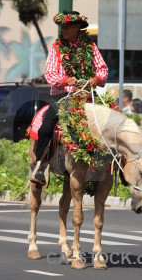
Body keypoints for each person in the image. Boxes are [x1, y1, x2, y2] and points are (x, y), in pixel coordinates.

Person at [31, 10, 108, 186]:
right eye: (62, 26)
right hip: (62, 97)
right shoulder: (56, 48)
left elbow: (103, 69)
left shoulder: (91, 47)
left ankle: (118, 167)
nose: (63, 30)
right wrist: (66, 80)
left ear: (77, 27)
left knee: (112, 122)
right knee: (45, 128)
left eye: (66, 27)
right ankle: (40, 168)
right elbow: (50, 74)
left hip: (86, 96)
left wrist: (96, 79)